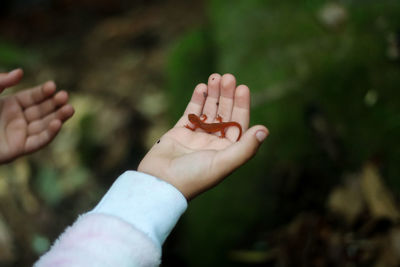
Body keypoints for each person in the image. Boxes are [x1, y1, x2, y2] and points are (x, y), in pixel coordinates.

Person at [1, 69, 269, 266]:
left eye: (192, 120)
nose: (192, 120)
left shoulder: (201, 124)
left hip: (212, 128)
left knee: (222, 125)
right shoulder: (198, 124)